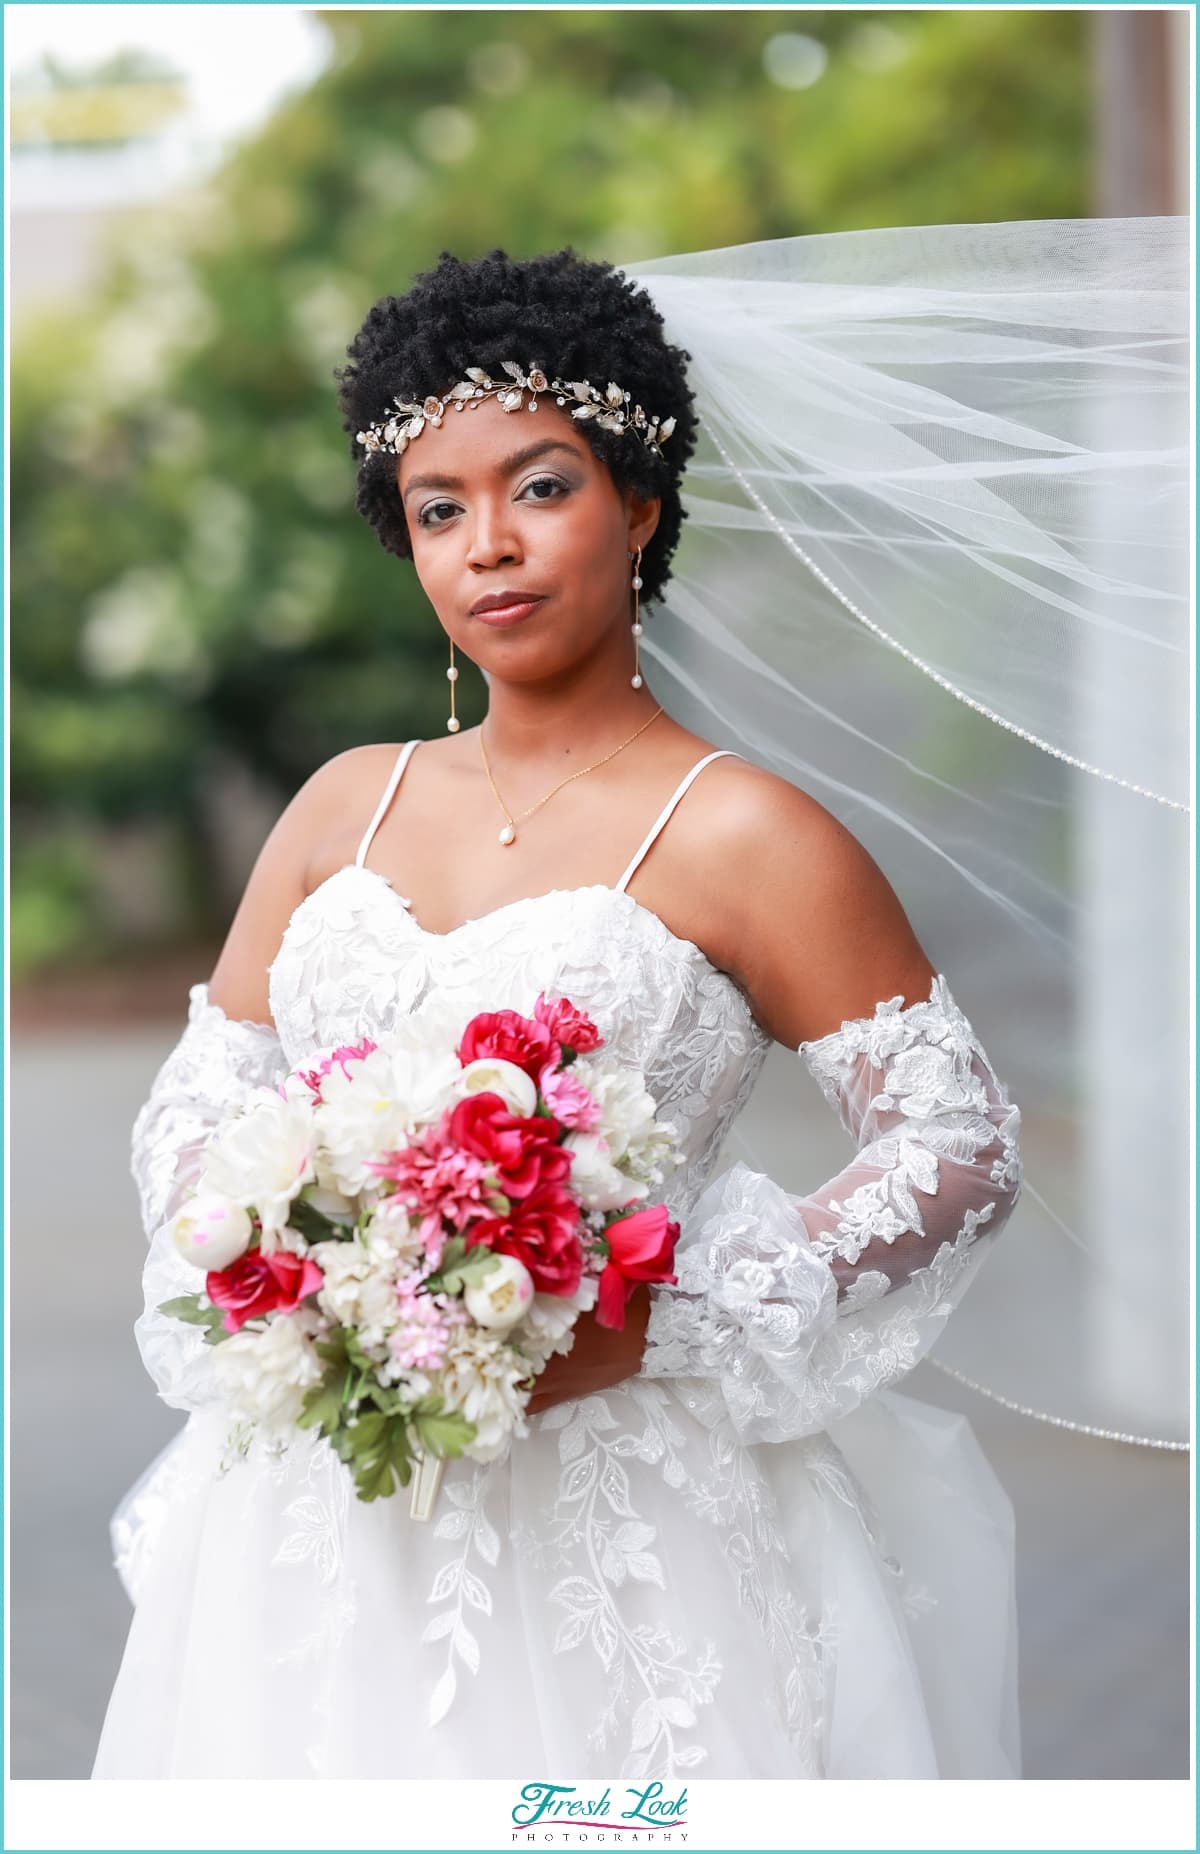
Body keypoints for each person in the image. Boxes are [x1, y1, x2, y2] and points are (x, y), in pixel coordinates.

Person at [91, 248, 1025, 1780]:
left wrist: (670, 1309)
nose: (487, 549)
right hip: (317, 1507)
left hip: (627, 1525)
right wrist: (284, 1260)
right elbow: (209, 1083)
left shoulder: (745, 834)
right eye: (439, 509)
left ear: (641, 505)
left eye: (540, 487)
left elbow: (957, 1134)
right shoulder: (343, 805)